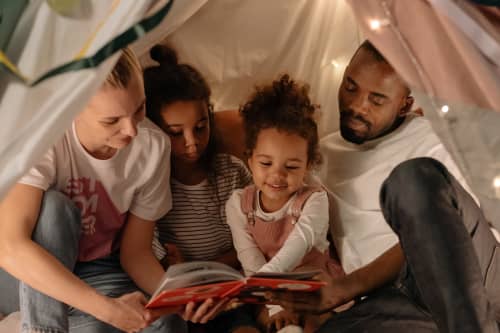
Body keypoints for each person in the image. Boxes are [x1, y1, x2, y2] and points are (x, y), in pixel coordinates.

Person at [267, 40, 500, 333]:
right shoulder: (316, 157)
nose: (356, 106)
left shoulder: (435, 139)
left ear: (406, 104)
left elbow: (455, 231)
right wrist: (227, 294)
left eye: (376, 100)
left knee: (410, 180)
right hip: (394, 301)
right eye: (350, 87)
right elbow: (270, 214)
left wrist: (346, 287)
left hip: (476, 280)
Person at [0, 48, 217, 333]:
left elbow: (136, 254)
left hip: (98, 269)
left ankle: (34, 324)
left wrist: (180, 298)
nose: (131, 131)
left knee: (167, 324)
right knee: (54, 208)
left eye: (139, 109)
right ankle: (42, 327)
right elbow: (10, 247)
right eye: (112, 121)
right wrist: (109, 311)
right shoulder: (45, 138)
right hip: (24, 274)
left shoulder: (152, 147)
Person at [141, 44, 261, 333]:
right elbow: (158, 262)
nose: (191, 142)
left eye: (200, 127)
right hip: (185, 303)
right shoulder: (153, 187)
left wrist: (210, 266)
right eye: (175, 133)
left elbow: (256, 243)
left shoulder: (232, 172)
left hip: (232, 294)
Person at [226, 75, 345, 333]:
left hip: (312, 286)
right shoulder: (238, 205)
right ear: (250, 159)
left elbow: (296, 248)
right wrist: (275, 307)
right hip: (264, 293)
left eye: (291, 166)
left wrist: (274, 292)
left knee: (318, 325)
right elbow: (250, 259)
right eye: (266, 164)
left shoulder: (314, 200)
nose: (277, 176)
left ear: (308, 165)